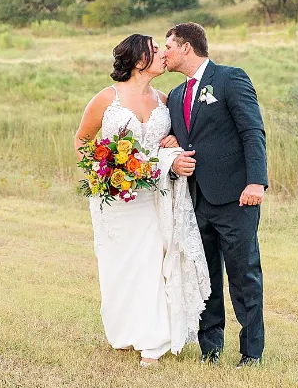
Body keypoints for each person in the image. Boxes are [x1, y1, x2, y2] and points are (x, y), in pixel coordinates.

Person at [74, 34, 210, 366]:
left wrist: (175, 139)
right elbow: (82, 139)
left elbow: (177, 138)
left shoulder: (166, 100)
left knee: (152, 262)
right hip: (116, 198)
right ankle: (125, 330)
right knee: (118, 265)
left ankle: (154, 339)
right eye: (155, 51)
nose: (164, 54)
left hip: (154, 195)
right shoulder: (107, 99)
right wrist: (98, 173)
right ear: (138, 61)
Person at [163, 22, 268, 368]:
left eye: (169, 46)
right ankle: (211, 348)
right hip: (195, 200)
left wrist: (256, 182)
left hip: (237, 197)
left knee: (243, 273)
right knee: (204, 274)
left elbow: (252, 131)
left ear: (187, 48)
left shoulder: (230, 78)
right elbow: (186, 137)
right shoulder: (177, 95)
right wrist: (175, 147)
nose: (164, 53)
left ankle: (251, 352)